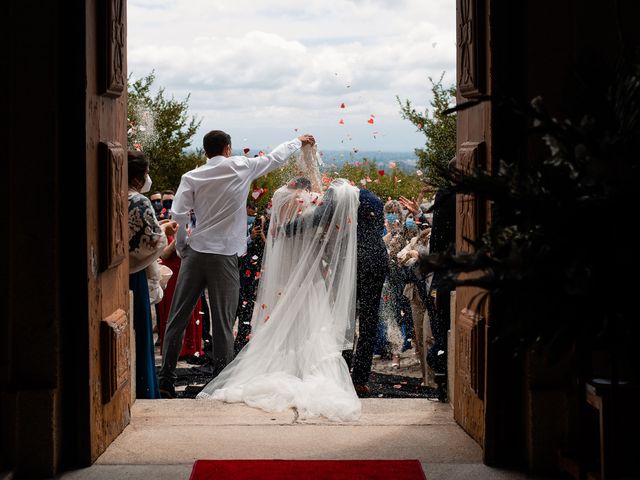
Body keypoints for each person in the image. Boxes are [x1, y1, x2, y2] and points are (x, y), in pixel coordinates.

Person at [196, 147, 361, 422]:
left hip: (286, 267)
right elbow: (320, 208)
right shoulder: (310, 201)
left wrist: (303, 152)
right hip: (306, 271)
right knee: (308, 316)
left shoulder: (280, 198)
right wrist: (310, 158)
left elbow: (284, 227)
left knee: (285, 314)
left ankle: (286, 362)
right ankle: (300, 367)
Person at [158, 130, 316, 398]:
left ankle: (166, 379)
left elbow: (179, 216)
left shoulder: (191, 177)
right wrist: (297, 141)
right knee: (222, 322)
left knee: (177, 319)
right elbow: (276, 158)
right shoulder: (242, 167)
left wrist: (183, 246)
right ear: (228, 149)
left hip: (196, 252)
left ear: (205, 151)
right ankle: (220, 381)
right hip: (225, 255)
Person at [128, 150, 178, 399]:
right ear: (139, 177)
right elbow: (153, 240)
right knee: (140, 335)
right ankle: (144, 389)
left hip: (118, 271)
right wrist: (164, 229)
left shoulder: (111, 193)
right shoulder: (138, 200)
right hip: (134, 273)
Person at [343, 187, 389, 398]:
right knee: (369, 324)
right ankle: (360, 379)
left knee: (345, 322)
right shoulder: (375, 200)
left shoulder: (349, 200)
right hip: (376, 260)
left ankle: (342, 373)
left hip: (354, 261)